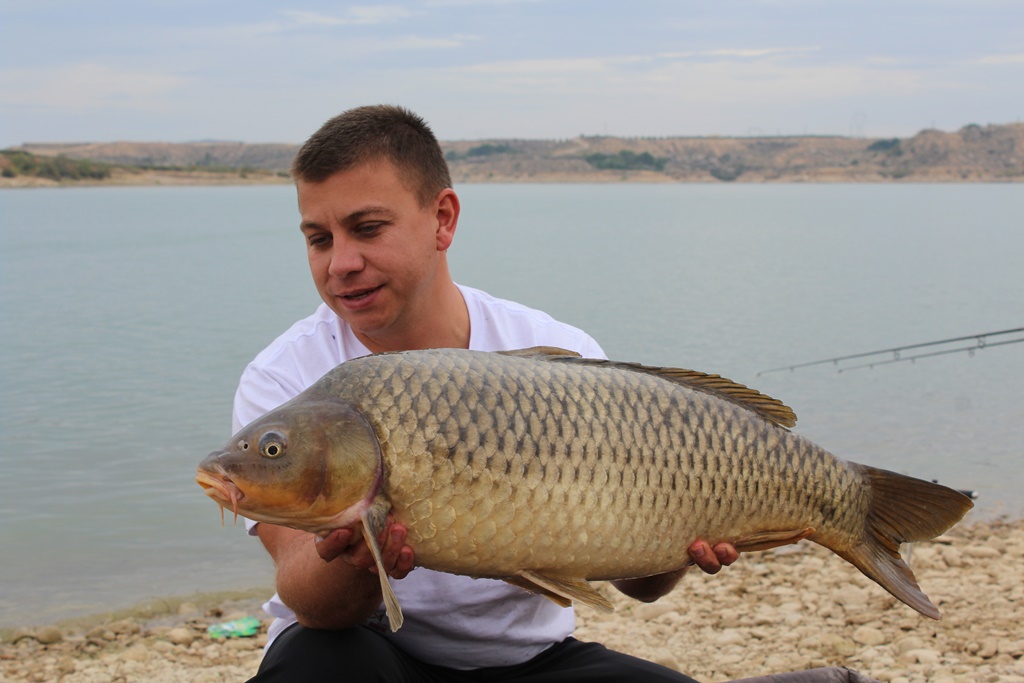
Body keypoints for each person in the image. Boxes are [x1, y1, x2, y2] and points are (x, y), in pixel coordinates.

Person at [233, 104, 739, 682]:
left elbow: (638, 584)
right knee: (314, 667)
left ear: (442, 219)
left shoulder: (557, 352)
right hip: (361, 652)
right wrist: (360, 557)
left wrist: (687, 537)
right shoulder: (284, 379)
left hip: (529, 662)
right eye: (319, 239)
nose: (342, 263)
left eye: (368, 229)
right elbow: (315, 606)